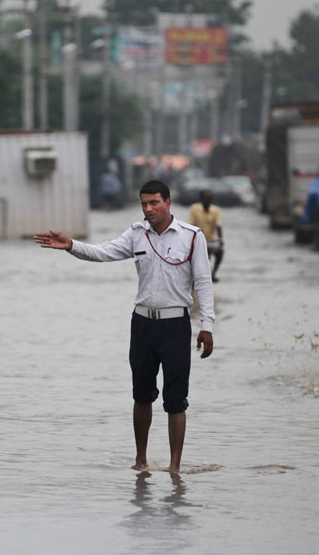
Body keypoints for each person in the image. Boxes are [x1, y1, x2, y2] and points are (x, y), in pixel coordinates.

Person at [34, 180, 214, 474]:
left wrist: (207, 325)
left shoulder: (192, 237)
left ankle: (174, 468)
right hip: (142, 323)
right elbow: (104, 252)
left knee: (176, 400)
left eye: (154, 203)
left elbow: (203, 283)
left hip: (176, 326)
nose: (148, 209)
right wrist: (71, 246)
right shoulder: (136, 234)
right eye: (144, 204)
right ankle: (140, 461)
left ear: (168, 203)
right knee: (141, 395)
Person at [188, 189, 224, 282]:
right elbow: (191, 225)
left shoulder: (215, 210)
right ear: (201, 199)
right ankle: (199, 277)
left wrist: (220, 240)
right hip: (198, 240)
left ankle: (213, 274)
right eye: (205, 198)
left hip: (211, 240)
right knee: (203, 258)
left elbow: (218, 226)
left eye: (209, 199)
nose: (207, 201)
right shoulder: (195, 209)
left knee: (220, 252)